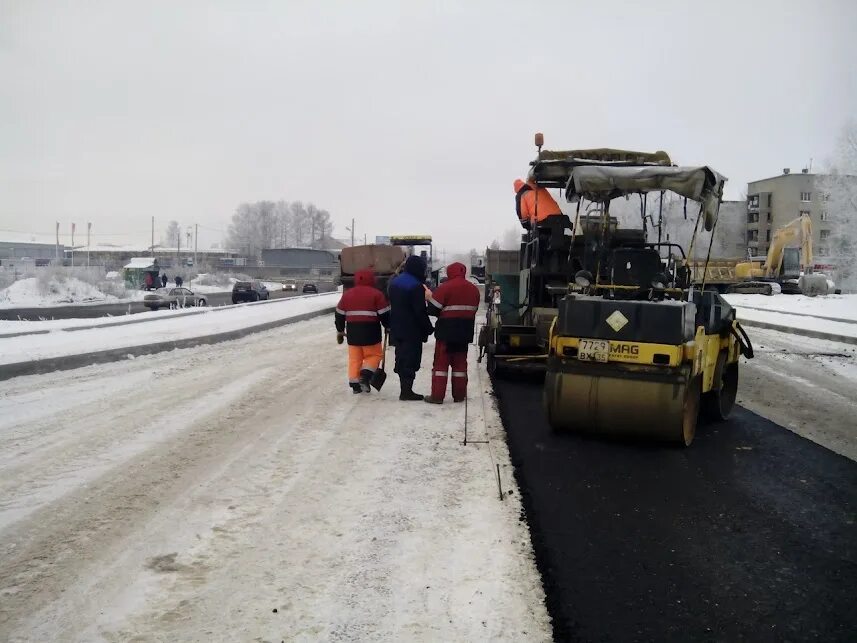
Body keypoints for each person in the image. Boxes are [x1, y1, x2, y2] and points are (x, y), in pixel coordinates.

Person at [424, 262, 480, 404]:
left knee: (441, 366)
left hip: (446, 333)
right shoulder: (474, 290)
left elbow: (433, 310)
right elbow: (473, 310)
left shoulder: (445, 288)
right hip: (464, 333)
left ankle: (437, 396)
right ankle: (459, 395)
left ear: (450, 272)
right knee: (460, 366)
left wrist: (429, 297)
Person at [334, 269, 390, 394]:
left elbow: (339, 313)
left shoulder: (348, 294)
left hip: (352, 332)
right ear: (372, 279)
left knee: (355, 358)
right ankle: (365, 376)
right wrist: (388, 325)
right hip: (371, 331)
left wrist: (340, 329)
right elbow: (384, 313)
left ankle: (355, 384)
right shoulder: (377, 294)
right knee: (375, 355)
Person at [388, 255, 433, 401]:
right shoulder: (415, 286)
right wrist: (428, 328)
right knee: (410, 359)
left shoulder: (395, 282)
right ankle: (406, 392)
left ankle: (405, 389)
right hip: (411, 330)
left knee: (401, 357)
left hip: (396, 327)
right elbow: (419, 311)